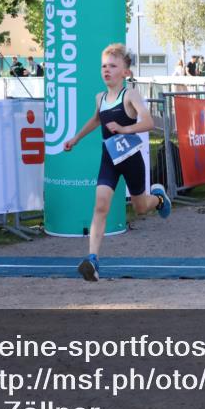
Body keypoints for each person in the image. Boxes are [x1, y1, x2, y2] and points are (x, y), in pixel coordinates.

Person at [63, 43, 172, 282]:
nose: (107, 70)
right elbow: (96, 120)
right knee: (101, 205)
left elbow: (148, 122)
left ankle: (160, 198)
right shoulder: (100, 97)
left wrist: (124, 128)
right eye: (104, 66)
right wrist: (76, 138)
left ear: (126, 72)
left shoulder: (130, 95)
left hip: (131, 159)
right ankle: (93, 259)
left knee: (140, 207)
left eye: (113, 66)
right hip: (109, 159)